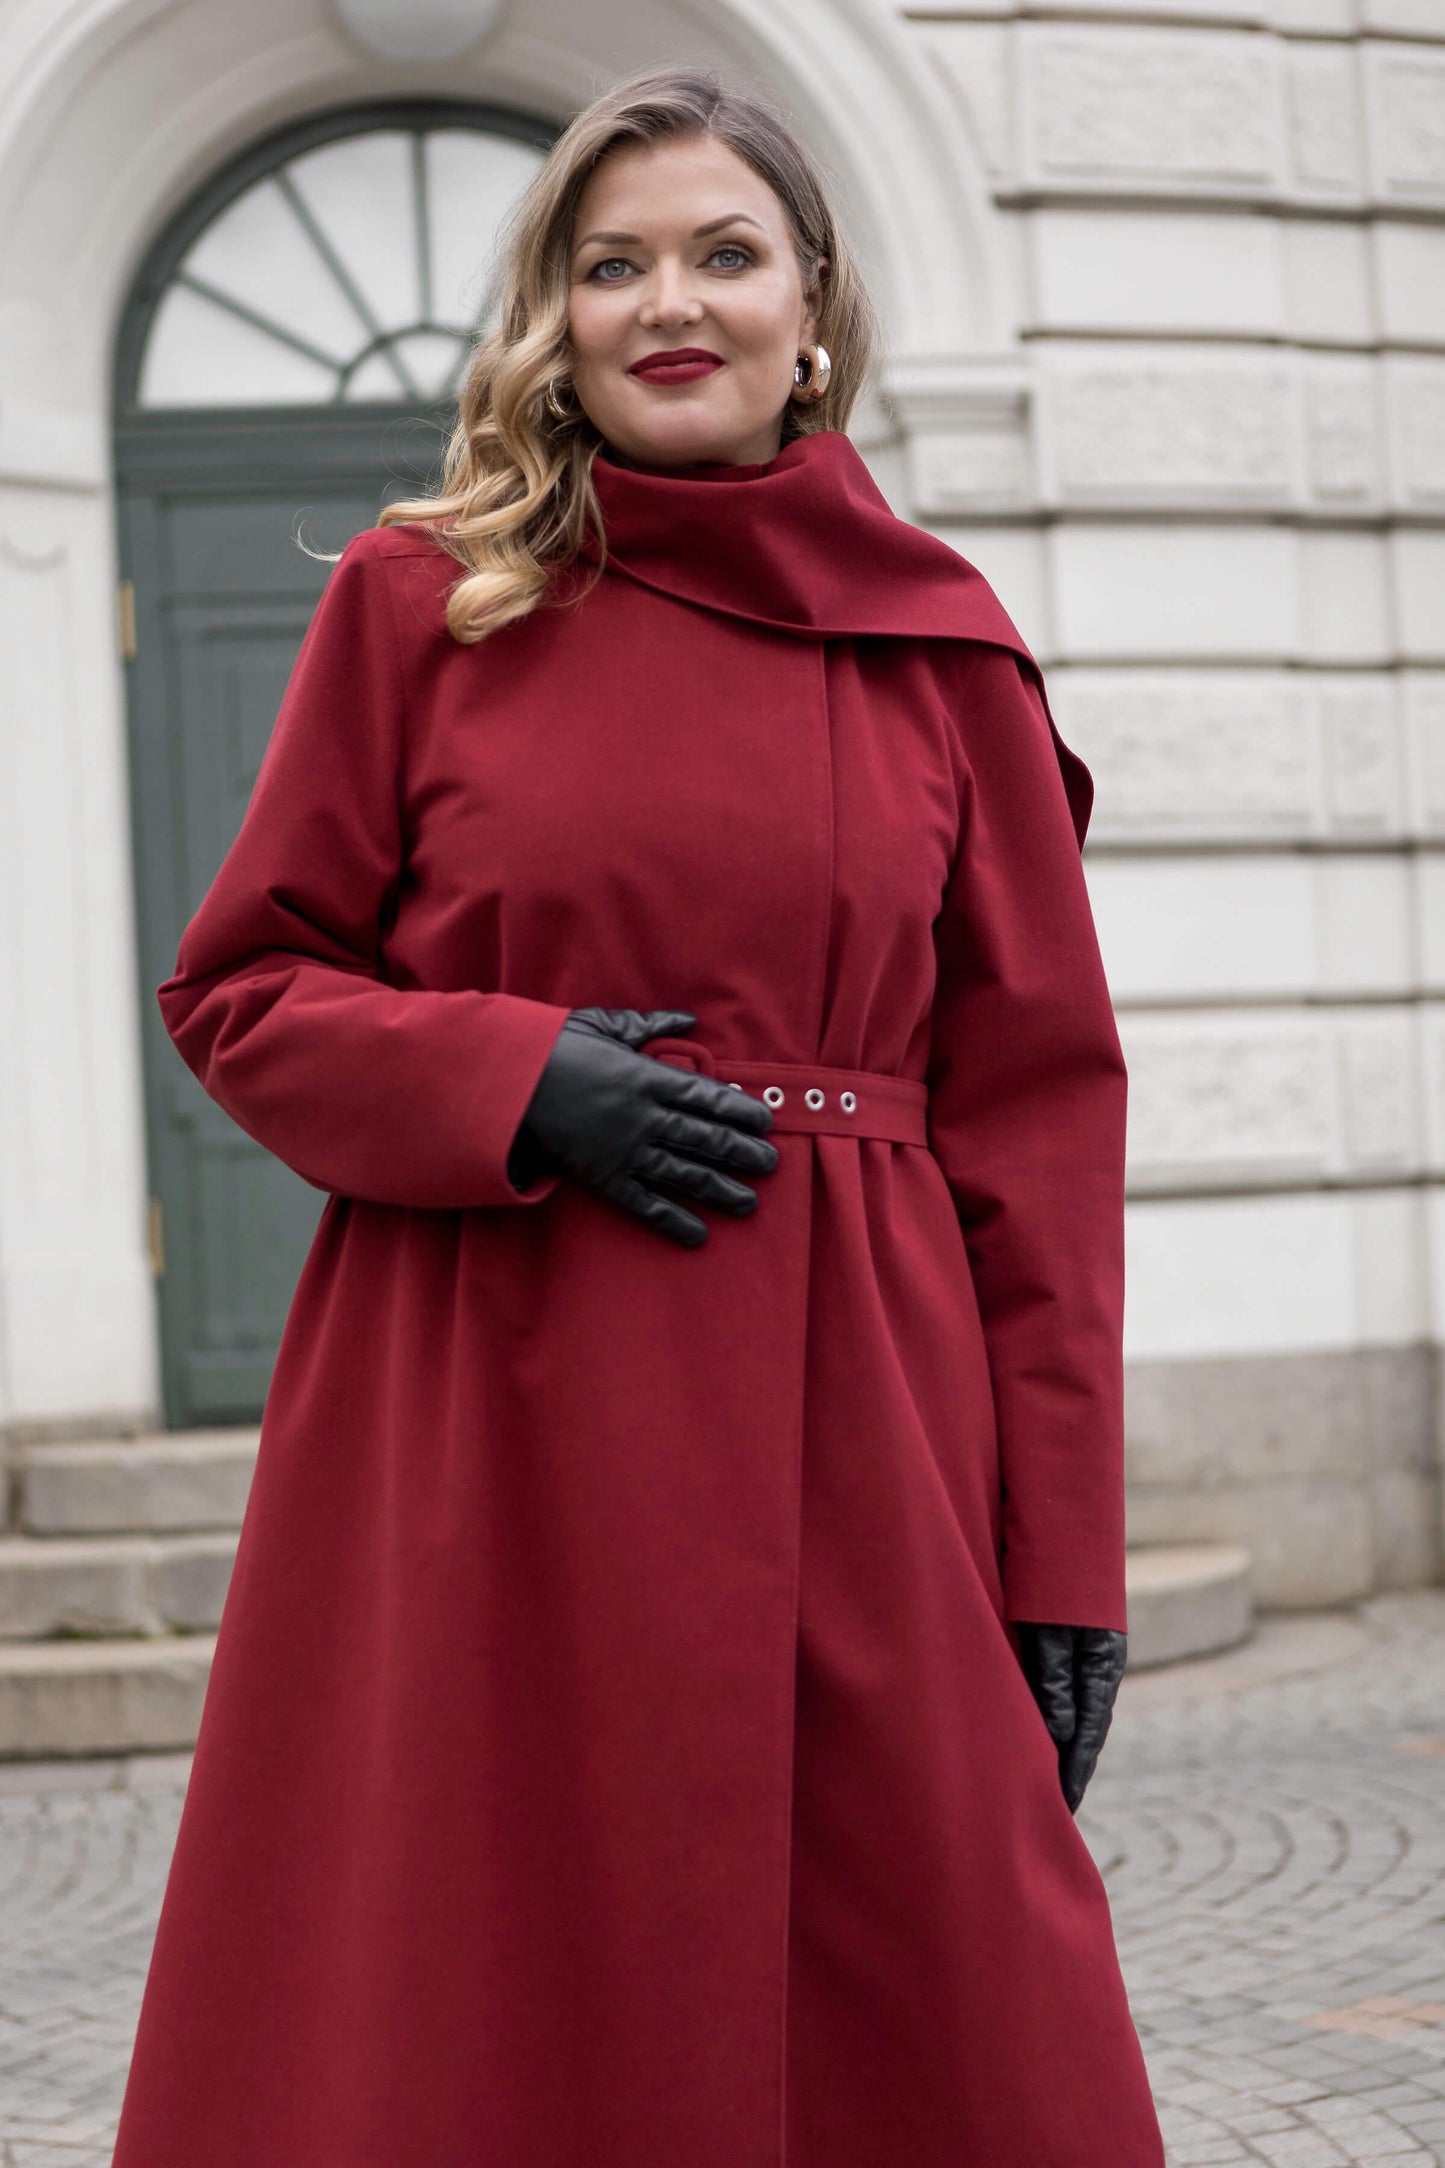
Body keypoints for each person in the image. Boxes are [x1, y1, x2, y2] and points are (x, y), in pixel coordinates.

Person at [111, 63, 1166, 2168]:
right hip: (487, 1403)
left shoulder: (949, 655)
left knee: (941, 1999)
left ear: (813, 303)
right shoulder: (426, 602)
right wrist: (509, 1075)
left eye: (721, 252)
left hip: (866, 1417)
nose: (666, 301)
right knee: (483, 1966)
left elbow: (1042, 1126)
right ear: (555, 318)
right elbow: (241, 985)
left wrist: (1065, 1551)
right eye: (611, 263)